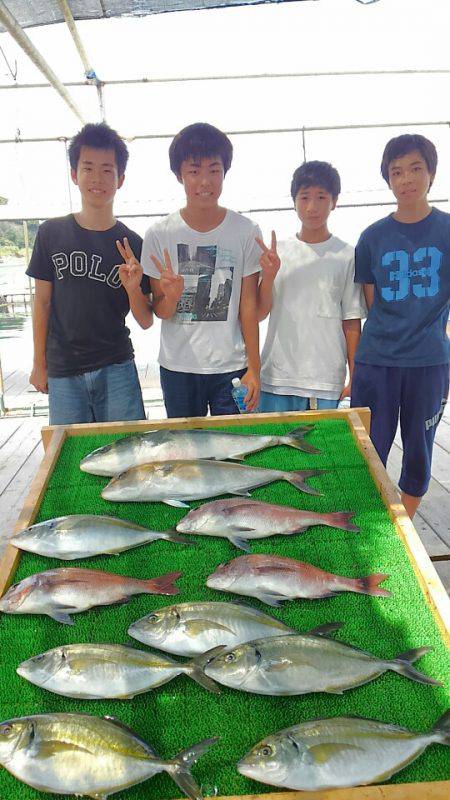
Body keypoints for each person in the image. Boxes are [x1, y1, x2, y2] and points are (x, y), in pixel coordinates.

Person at [351, 134, 450, 519]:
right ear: (388, 179)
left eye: (415, 169)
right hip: (377, 361)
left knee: (420, 449)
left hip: (428, 362)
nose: (406, 179)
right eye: (396, 172)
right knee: (368, 446)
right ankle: (370, 521)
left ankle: (403, 526)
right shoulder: (371, 237)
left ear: (431, 174)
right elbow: (371, 302)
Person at [27, 122, 153, 425]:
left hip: (117, 366)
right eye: (88, 168)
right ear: (74, 174)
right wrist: (38, 363)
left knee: (128, 446)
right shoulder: (50, 233)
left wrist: (133, 288)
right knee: (71, 450)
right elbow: (42, 302)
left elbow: (146, 320)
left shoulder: (133, 244)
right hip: (63, 369)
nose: (98, 178)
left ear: (120, 179)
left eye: (107, 170)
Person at [140, 122, 261, 418]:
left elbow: (248, 306)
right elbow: (161, 311)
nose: (205, 181)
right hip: (178, 367)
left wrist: (255, 368)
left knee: (233, 443)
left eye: (214, 170)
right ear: (179, 175)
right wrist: (171, 296)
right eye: (194, 171)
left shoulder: (246, 231)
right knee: (184, 445)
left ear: (224, 172)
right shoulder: (159, 234)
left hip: (231, 366)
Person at [257, 160, 366, 412]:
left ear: (334, 201)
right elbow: (260, 313)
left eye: (321, 197)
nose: (312, 207)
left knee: (325, 439)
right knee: (273, 439)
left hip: (325, 380)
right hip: (276, 377)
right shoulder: (278, 253)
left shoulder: (346, 255)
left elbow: (351, 322)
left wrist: (355, 376)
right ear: (294, 201)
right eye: (304, 197)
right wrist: (269, 276)